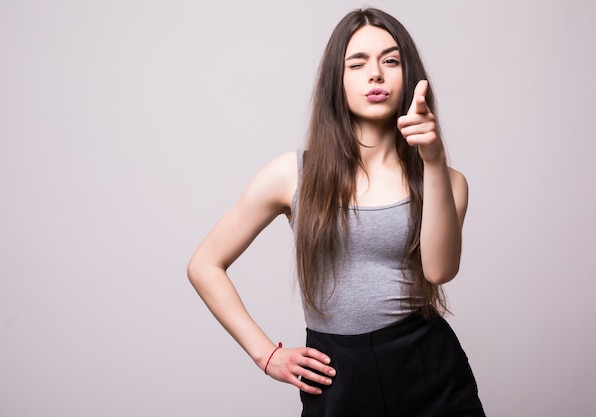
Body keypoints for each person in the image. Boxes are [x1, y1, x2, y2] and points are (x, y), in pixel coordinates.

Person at [187, 7, 485, 417]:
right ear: (337, 80)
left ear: (409, 76)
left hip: (428, 370)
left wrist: (432, 160)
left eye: (391, 60)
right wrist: (266, 355)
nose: (375, 74)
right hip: (337, 377)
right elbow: (204, 264)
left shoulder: (448, 180)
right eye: (357, 63)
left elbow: (439, 271)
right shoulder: (292, 174)